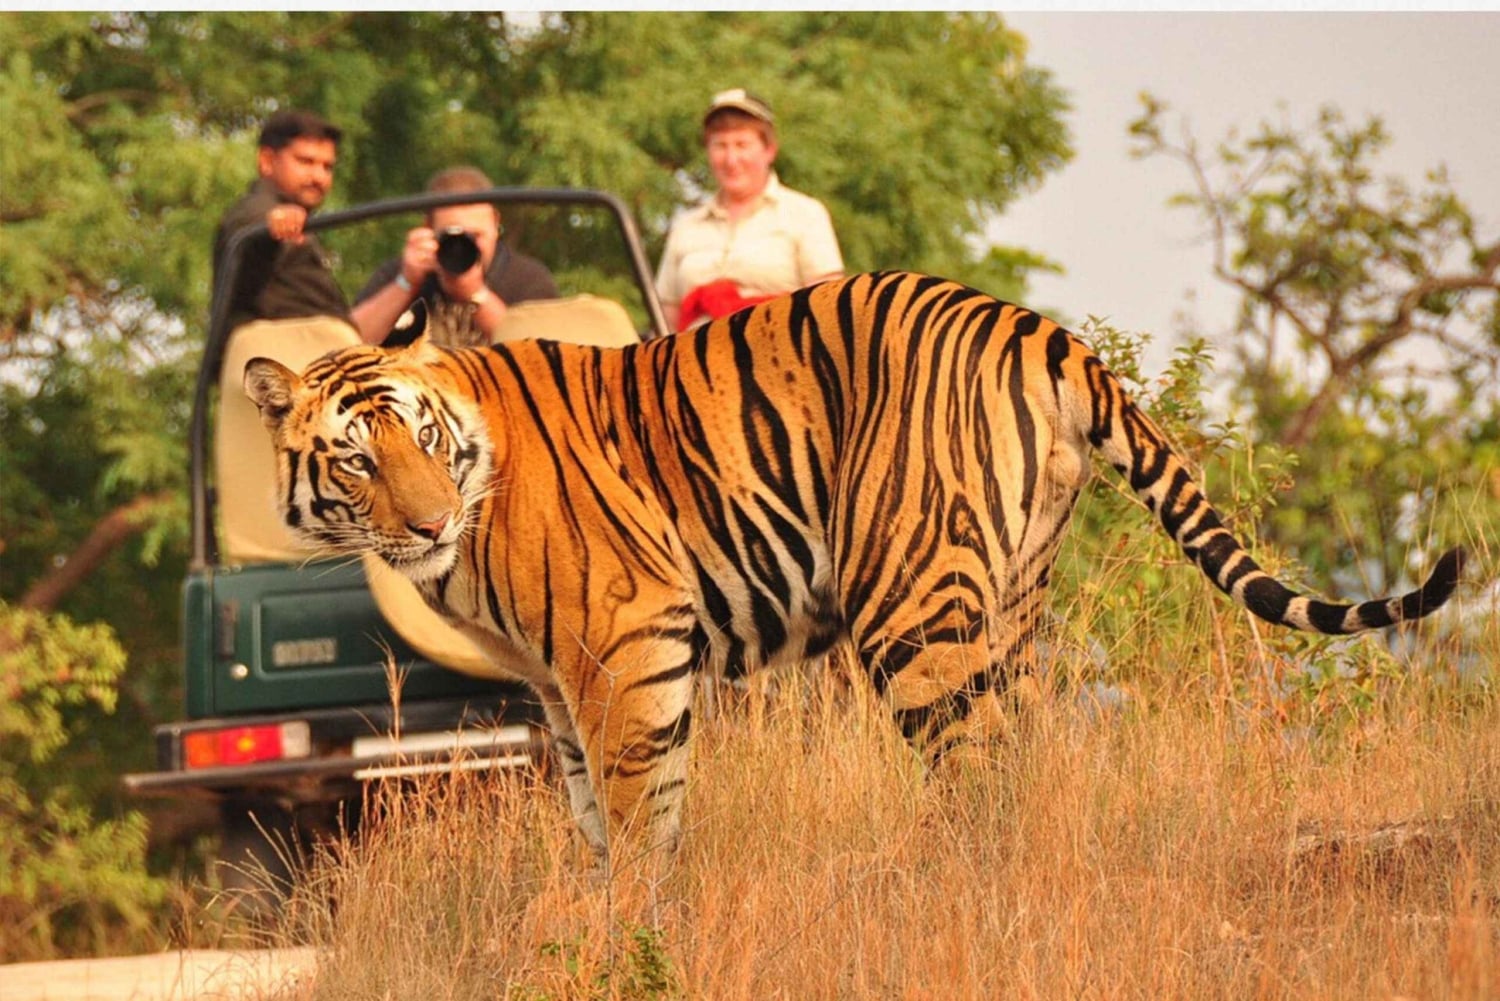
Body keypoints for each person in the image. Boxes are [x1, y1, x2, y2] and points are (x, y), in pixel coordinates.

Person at [655, 88, 844, 333]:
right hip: (691, 362)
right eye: (720, 145)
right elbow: (664, 321)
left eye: (742, 144)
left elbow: (828, 314)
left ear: (769, 150)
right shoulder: (686, 225)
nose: (731, 159)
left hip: (777, 362)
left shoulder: (805, 215)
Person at [354, 166, 560, 347]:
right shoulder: (403, 274)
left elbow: (543, 359)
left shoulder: (527, 279)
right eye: (452, 236)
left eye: (475, 236)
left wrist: (477, 295)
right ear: (428, 227)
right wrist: (405, 284)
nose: (463, 246)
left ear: (495, 223)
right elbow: (349, 345)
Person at [212, 109, 362, 335]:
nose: (318, 177)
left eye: (327, 167)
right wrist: (274, 224)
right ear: (267, 161)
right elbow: (250, 238)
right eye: (305, 162)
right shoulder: (254, 212)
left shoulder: (304, 227)